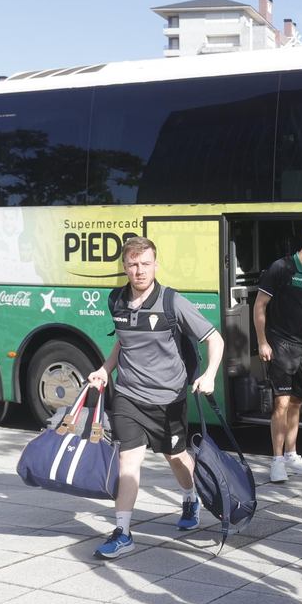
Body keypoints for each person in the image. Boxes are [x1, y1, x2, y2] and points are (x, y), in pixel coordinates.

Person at [87, 236, 224, 559]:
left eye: (145, 264)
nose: (139, 270)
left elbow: (214, 338)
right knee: (128, 461)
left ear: (155, 265)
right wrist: (106, 369)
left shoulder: (171, 302)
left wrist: (210, 375)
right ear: (124, 267)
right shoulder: (116, 300)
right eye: (133, 264)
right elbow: (124, 341)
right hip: (129, 396)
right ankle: (122, 531)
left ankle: (190, 497)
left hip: (168, 399)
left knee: (176, 457)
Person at [254, 227, 302, 483]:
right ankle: (277, 461)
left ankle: (291, 454)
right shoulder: (281, 268)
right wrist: (262, 342)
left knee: (298, 402)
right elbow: (259, 306)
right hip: (279, 344)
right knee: (281, 403)